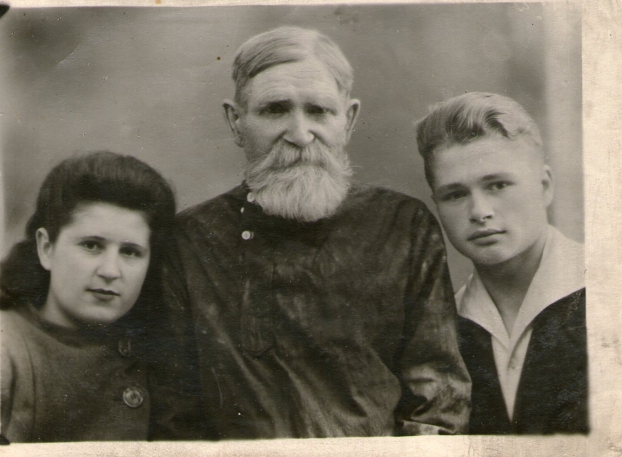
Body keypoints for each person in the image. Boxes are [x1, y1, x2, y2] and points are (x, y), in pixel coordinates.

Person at [163, 26, 470, 439]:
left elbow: (438, 405)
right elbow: (174, 420)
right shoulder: (190, 241)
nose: (300, 134)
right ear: (236, 122)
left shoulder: (402, 226)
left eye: (319, 111)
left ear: (349, 120)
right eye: (275, 110)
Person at [415, 92, 587, 434]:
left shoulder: (608, 289)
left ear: (545, 186)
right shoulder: (443, 329)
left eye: (497, 185)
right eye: (455, 194)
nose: (480, 212)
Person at [0, 151, 177, 442]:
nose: (110, 271)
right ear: (46, 248)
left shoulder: (160, 350)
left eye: (130, 252)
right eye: (92, 246)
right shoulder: (3, 346)